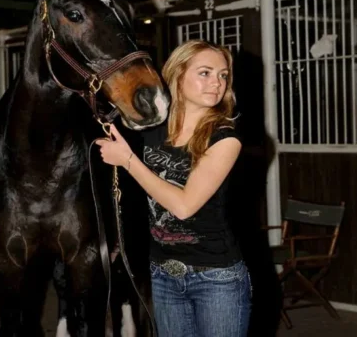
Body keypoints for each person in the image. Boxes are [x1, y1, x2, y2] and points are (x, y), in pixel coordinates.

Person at [96, 39, 250, 337]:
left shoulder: (224, 139)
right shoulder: (152, 130)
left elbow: (184, 206)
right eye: (205, 72)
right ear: (177, 75)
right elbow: (137, 194)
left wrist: (128, 160)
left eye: (223, 75)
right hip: (163, 273)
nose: (216, 83)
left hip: (215, 277)